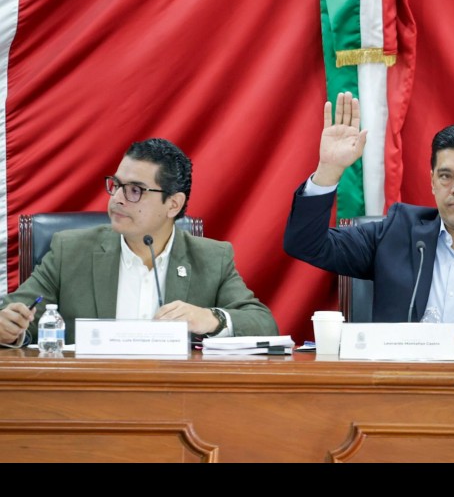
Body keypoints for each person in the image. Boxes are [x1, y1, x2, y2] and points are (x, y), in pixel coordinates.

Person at [283, 92, 454, 353]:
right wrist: (329, 170)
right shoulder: (396, 232)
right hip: (399, 383)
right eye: (445, 176)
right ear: (432, 181)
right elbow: (306, 244)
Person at [0, 138, 279, 346]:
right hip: (90, 396)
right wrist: (9, 329)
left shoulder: (211, 258)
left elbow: (263, 324)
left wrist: (210, 319)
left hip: (176, 398)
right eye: (116, 185)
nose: (117, 198)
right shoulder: (70, 251)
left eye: (135, 190)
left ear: (173, 204)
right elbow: (14, 316)